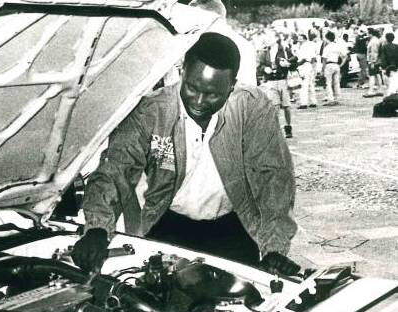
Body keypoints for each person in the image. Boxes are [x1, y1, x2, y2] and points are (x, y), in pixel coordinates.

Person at [71, 33, 299, 276]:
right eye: (191, 87)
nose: (199, 101)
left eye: (213, 94)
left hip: (234, 227)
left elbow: (274, 178)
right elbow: (115, 170)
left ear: (231, 86)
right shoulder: (150, 111)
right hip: (168, 224)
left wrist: (275, 247)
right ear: (182, 71)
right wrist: (97, 229)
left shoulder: (253, 108)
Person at [258, 34, 295, 138]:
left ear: (276, 39)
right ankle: (275, 130)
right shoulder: (264, 52)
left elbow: (294, 62)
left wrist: (288, 64)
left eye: (270, 38)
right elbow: (259, 66)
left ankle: (288, 127)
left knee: (287, 106)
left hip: (283, 80)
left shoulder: (284, 49)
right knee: (275, 106)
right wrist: (264, 69)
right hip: (271, 81)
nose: (267, 40)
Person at [321, 31, 346, 105]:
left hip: (329, 64)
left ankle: (330, 98)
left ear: (327, 38)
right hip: (336, 64)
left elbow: (324, 59)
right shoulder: (337, 46)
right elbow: (344, 56)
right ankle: (337, 98)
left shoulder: (327, 47)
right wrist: (341, 64)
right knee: (336, 82)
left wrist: (322, 69)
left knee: (328, 82)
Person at [296, 32, 318, 109]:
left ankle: (304, 103)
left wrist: (297, 64)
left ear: (305, 39)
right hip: (307, 66)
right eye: (298, 39)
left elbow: (307, 58)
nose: (299, 41)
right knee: (310, 84)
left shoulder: (306, 46)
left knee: (304, 85)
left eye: (300, 39)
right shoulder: (303, 46)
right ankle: (313, 102)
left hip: (305, 65)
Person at [364, 29, 384, 97]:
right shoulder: (376, 40)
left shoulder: (373, 41)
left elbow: (373, 52)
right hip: (377, 60)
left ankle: (371, 91)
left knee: (372, 75)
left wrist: (372, 62)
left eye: (367, 33)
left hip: (373, 61)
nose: (367, 34)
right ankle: (380, 89)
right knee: (377, 74)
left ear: (371, 33)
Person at [380, 32, 398, 96]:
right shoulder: (396, 46)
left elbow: (383, 57)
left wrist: (383, 67)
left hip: (388, 66)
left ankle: (390, 93)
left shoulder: (384, 47)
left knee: (388, 81)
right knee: (395, 80)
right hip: (396, 66)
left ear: (386, 39)